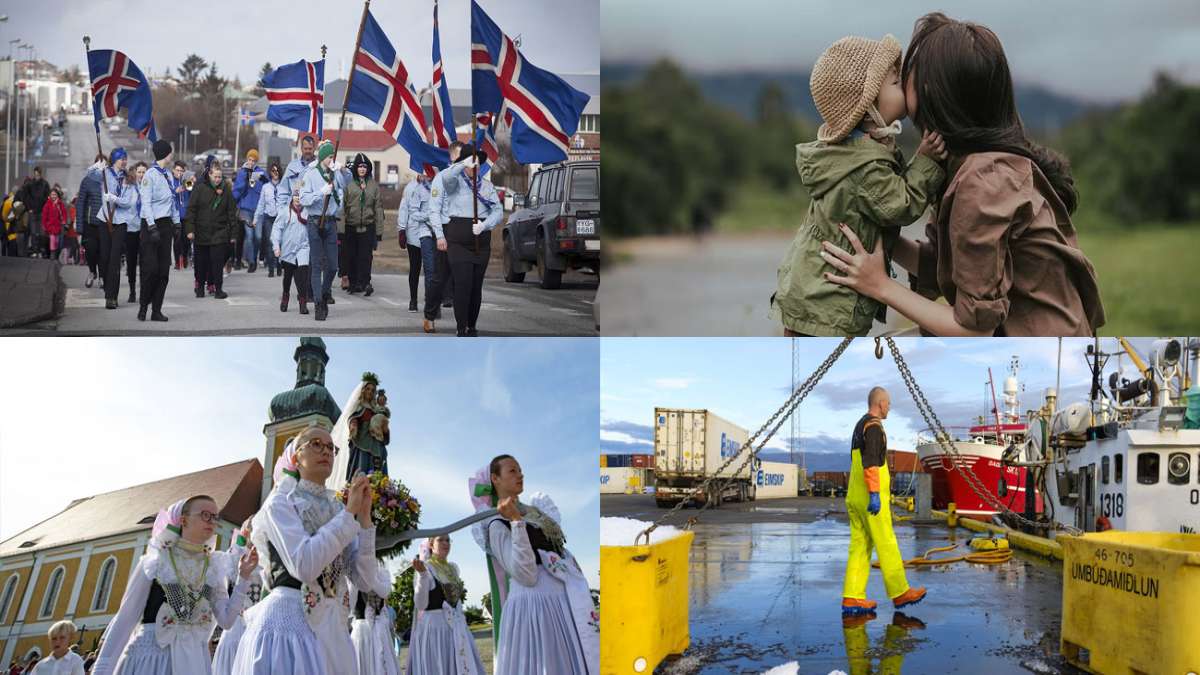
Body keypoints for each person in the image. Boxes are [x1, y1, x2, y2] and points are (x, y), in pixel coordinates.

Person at [821, 13, 1105, 336]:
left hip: (1041, 367)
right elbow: (948, 267)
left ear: (932, 88)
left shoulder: (983, 180)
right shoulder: (972, 164)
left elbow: (974, 329)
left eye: (908, 73)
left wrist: (880, 286)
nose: (902, 79)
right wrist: (871, 227)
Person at [770, 34, 948, 337]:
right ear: (867, 109)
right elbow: (900, 206)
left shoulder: (858, 152)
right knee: (824, 378)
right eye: (894, 83)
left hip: (816, 295)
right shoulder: (864, 167)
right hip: (827, 305)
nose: (902, 85)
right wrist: (927, 162)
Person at [232, 425, 391, 675]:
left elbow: (364, 579)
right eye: (316, 444)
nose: (326, 451)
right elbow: (304, 565)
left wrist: (365, 519)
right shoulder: (281, 501)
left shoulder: (337, 508)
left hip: (332, 628)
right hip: (290, 624)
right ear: (296, 457)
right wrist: (349, 514)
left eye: (331, 447)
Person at [91, 495, 257, 675]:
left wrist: (244, 577)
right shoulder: (157, 560)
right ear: (183, 520)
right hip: (152, 660)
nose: (211, 521)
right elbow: (125, 619)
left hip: (194, 662)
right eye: (205, 515)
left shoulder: (213, 567)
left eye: (215, 517)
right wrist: (101, 670)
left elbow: (226, 620)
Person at [470, 455, 598, 674]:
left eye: (520, 470)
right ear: (495, 478)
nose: (520, 474)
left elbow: (559, 550)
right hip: (535, 608)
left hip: (564, 604)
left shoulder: (537, 512)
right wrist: (516, 523)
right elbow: (524, 574)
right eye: (512, 471)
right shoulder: (495, 523)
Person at [842, 387, 925, 617]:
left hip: (855, 497)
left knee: (859, 547)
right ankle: (900, 592)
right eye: (888, 403)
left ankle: (852, 597)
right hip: (870, 497)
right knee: (886, 541)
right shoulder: (875, 427)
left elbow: (858, 461)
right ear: (880, 403)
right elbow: (870, 463)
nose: (889, 407)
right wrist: (875, 494)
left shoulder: (860, 425)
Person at [428, 146, 502, 337]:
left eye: (477, 163)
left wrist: (485, 225)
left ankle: (471, 325)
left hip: (481, 241)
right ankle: (461, 327)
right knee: (462, 284)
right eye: (471, 163)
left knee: (476, 287)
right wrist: (462, 163)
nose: (474, 166)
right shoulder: (455, 183)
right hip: (457, 240)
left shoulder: (486, 186)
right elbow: (446, 178)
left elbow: (498, 211)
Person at [407, 535, 485, 675]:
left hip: (455, 628)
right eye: (440, 540)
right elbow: (421, 604)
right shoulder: (426, 568)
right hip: (436, 631)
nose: (445, 543)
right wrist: (423, 576)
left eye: (448, 540)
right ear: (431, 544)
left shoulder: (453, 568)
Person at [299, 140, 349, 322]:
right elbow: (303, 199)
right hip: (314, 222)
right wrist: (321, 192)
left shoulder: (335, 174)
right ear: (322, 157)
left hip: (330, 222)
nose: (331, 159)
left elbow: (347, 184)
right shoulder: (311, 174)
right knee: (316, 264)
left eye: (333, 157)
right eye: (329, 157)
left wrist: (343, 169)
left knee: (333, 266)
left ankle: (325, 291)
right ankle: (319, 303)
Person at [211, 519, 264, 675]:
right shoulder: (235, 557)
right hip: (236, 628)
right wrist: (241, 539)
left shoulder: (267, 560)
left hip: (259, 628)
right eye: (250, 531)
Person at [137, 140, 182, 322]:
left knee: (164, 270)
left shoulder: (168, 176)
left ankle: (157, 310)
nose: (172, 155)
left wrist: (177, 223)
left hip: (165, 225)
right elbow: (146, 202)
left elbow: (172, 201)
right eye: (170, 152)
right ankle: (143, 306)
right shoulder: (151, 175)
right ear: (165, 154)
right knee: (151, 269)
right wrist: (151, 226)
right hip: (150, 225)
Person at [422, 142, 463, 331]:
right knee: (440, 277)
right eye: (461, 156)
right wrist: (439, 235)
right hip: (447, 230)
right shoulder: (441, 178)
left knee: (463, 279)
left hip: (465, 231)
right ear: (453, 157)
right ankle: (429, 315)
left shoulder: (469, 179)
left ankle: (463, 323)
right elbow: (434, 209)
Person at [185, 158, 239, 300]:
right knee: (201, 263)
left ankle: (218, 288)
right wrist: (190, 229)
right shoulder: (199, 188)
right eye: (215, 176)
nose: (217, 179)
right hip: (201, 232)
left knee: (217, 262)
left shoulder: (226, 189)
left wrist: (233, 234)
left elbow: (231, 212)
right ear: (209, 174)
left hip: (219, 232)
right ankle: (200, 287)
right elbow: (191, 210)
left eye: (220, 177)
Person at [342, 153, 384, 296]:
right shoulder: (349, 185)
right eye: (359, 166)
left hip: (368, 226)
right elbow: (343, 208)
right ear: (355, 168)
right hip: (351, 226)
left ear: (368, 168)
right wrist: (341, 229)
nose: (362, 169)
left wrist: (379, 231)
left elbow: (378, 208)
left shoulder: (374, 186)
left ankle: (365, 282)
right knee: (352, 256)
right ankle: (353, 283)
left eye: (364, 166)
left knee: (366, 257)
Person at [271, 184, 312, 314]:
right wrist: (276, 246)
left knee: (303, 276)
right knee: (288, 277)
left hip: (303, 248)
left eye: (300, 195)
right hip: (288, 249)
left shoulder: (308, 212)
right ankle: (285, 296)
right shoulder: (285, 212)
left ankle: (302, 302)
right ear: (292, 197)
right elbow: (276, 229)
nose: (297, 198)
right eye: (295, 195)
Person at [97, 149, 130, 309]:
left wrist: (115, 198)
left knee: (115, 259)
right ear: (114, 160)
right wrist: (97, 166)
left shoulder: (128, 178)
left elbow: (128, 202)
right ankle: (105, 283)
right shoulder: (105, 173)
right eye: (121, 159)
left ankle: (112, 296)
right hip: (104, 219)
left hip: (120, 221)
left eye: (125, 159)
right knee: (104, 257)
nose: (124, 162)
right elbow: (89, 176)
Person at [397, 174, 434, 313]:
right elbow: (404, 208)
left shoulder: (434, 186)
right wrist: (401, 229)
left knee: (431, 269)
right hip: (413, 234)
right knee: (415, 268)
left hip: (430, 233)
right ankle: (413, 299)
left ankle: (431, 300)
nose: (424, 174)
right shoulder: (410, 187)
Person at [112, 163, 145, 306]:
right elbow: (124, 204)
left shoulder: (150, 187)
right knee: (131, 262)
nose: (142, 174)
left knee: (145, 262)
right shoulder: (130, 187)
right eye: (140, 172)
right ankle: (132, 290)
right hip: (131, 228)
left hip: (145, 228)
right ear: (135, 173)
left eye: (144, 171)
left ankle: (145, 290)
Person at [233, 149, 269, 273]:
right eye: (249, 159)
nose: (251, 162)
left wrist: (264, 179)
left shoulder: (261, 172)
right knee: (249, 236)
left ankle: (254, 257)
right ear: (247, 159)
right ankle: (251, 262)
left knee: (258, 237)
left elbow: (268, 187)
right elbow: (237, 190)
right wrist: (245, 177)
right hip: (246, 209)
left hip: (258, 209)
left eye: (254, 160)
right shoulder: (242, 172)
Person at [76, 154, 108, 289]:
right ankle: (92, 271)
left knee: (103, 252)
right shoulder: (87, 181)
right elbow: (80, 203)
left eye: (104, 164)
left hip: (105, 223)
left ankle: (102, 276)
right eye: (99, 164)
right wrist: (79, 226)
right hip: (90, 223)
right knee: (90, 250)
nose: (102, 167)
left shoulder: (110, 181)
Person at [254, 162, 282, 278]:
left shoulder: (284, 186)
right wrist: (256, 218)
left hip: (280, 218)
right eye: (273, 171)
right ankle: (271, 267)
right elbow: (261, 204)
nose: (275, 173)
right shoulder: (266, 187)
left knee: (280, 242)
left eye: (277, 171)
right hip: (268, 218)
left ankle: (279, 264)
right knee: (270, 242)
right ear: (270, 173)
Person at [24, 166, 50, 258]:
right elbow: (26, 197)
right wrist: (29, 208)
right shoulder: (30, 184)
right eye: (35, 175)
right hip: (33, 211)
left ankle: (41, 250)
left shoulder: (45, 184)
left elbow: (48, 198)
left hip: (42, 211)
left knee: (42, 233)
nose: (36, 176)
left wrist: (46, 209)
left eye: (38, 175)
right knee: (34, 232)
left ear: (40, 174)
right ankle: (35, 250)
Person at [40, 189, 69, 266]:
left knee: (58, 243)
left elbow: (64, 214)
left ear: (57, 195)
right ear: (50, 196)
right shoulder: (47, 204)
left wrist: (64, 221)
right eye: (52, 194)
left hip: (59, 227)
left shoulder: (60, 204)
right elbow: (44, 216)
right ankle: (53, 257)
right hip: (51, 227)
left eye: (55, 194)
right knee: (52, 242)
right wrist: (45, 225)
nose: (53, 196)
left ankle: (55, 255)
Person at [170, 160, 190, 270]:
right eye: (177, 170)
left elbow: (192, 192)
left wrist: (189, 182)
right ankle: (177, 261)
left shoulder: (187, 181)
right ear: (173, 170)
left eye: (182, 171)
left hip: (186, 214)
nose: (179, 173)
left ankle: (185, 257)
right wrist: (175, 191)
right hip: (175, 214)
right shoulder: (170, 181)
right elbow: (167, 194)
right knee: (177, 239)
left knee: (186, 239)